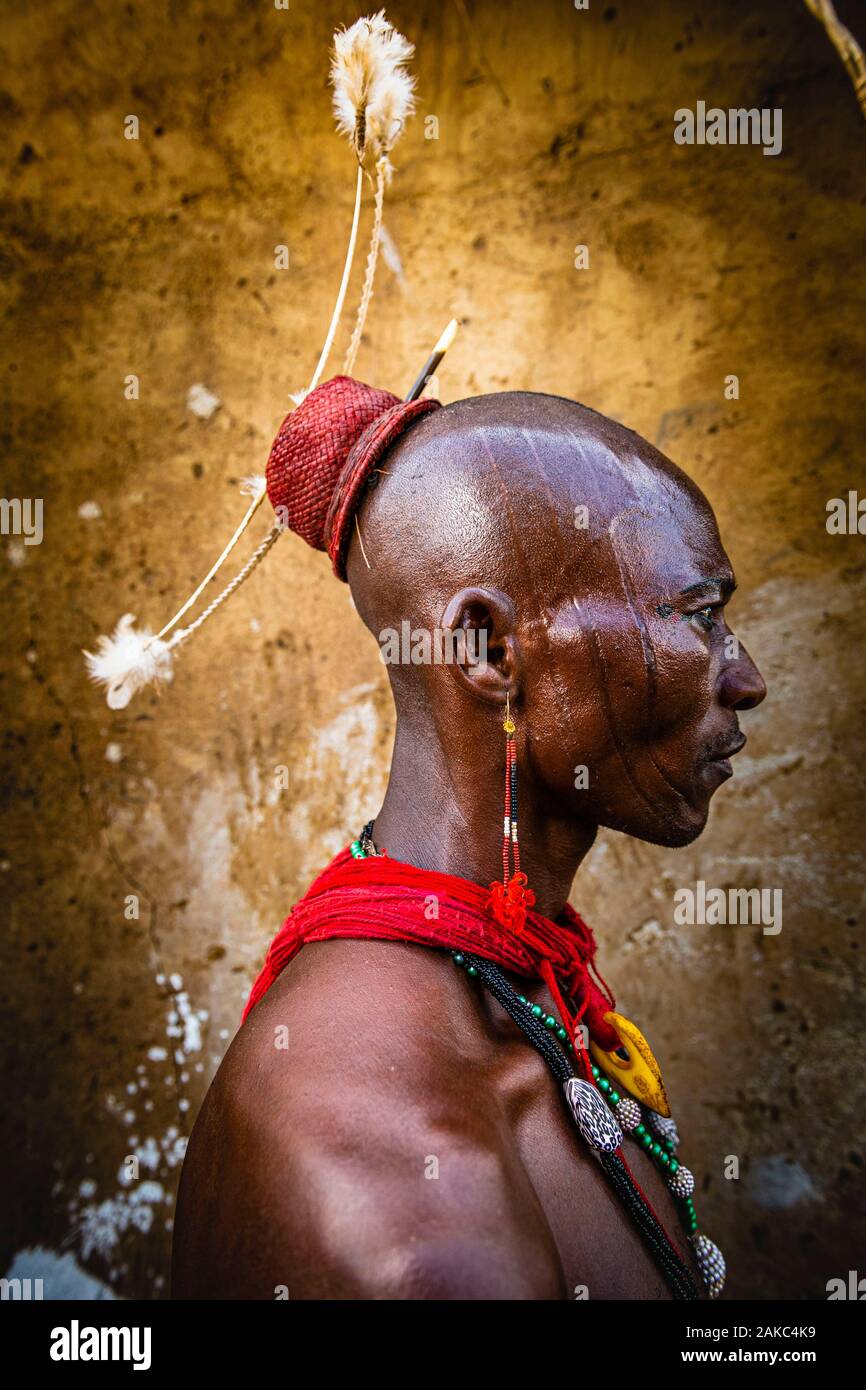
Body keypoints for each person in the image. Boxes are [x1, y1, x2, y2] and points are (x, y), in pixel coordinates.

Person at [172, 381, 766, 1300]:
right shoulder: (416, 1206)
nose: (747, 679)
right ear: (489, 651)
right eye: (697, 613)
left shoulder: (522, 986)